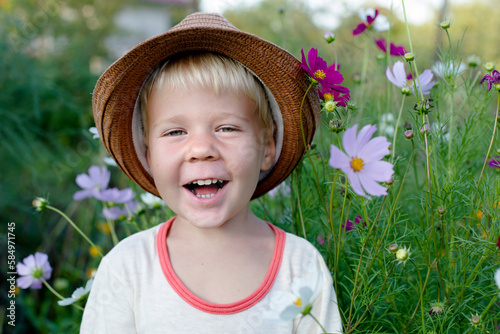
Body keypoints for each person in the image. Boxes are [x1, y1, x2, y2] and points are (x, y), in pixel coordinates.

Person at [81, 12, 343, 333]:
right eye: (175, 132)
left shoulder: (300, 267)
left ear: (268, 147)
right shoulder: (127, 269)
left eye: (227, 127)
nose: (201, 148)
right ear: (149, 155)